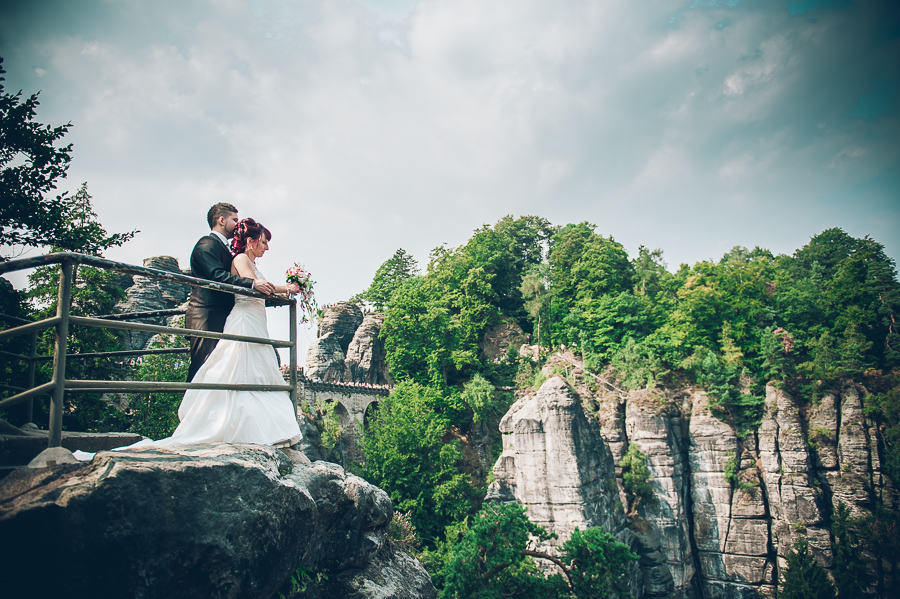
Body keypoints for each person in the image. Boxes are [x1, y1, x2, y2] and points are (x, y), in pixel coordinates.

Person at [73, 218, 301, 460]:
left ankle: (262, 430)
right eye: (264, 242)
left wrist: (284, 289)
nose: (267, 247)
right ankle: (234, 427)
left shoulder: (250, 261)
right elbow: (256, 286)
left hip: (256, 320)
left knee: (256, 370)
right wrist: (287, 288)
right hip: (244, 319)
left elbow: (260, 286)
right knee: (238, 369)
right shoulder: (242, 259)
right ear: (251, 241)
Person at [186, 203, 275, 382]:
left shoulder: (225, 248)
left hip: (222, 314)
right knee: (203, 366)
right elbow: (215, 276)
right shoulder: (206, 244)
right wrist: (251, 284)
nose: (238, 223)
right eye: (234, 220)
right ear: (221, 220)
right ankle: (191, 408)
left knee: (218, 369)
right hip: (206, 315)